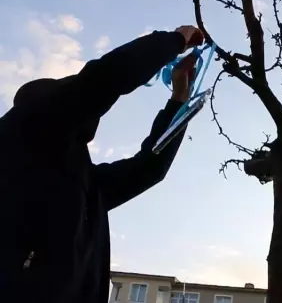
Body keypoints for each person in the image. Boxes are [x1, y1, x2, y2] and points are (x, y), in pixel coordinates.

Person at [0, 26, 204, 303]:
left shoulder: (87, 183)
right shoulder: (27, 126)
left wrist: (179, 101)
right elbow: (103, 80)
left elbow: (148, 168)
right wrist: (174, 40)